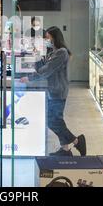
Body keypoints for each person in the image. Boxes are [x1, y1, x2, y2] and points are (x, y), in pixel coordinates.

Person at [20, 26, 86, 157]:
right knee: (56, 120)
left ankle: (77, 141)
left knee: (52, 120)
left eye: (48, 38)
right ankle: (66, 149)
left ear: (54, 38)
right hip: (53, 89)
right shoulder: (53, 52)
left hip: (58, 90)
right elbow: (44, 66)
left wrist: (30, 78)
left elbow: (47, 70)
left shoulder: (61, 52)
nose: (46, 40)